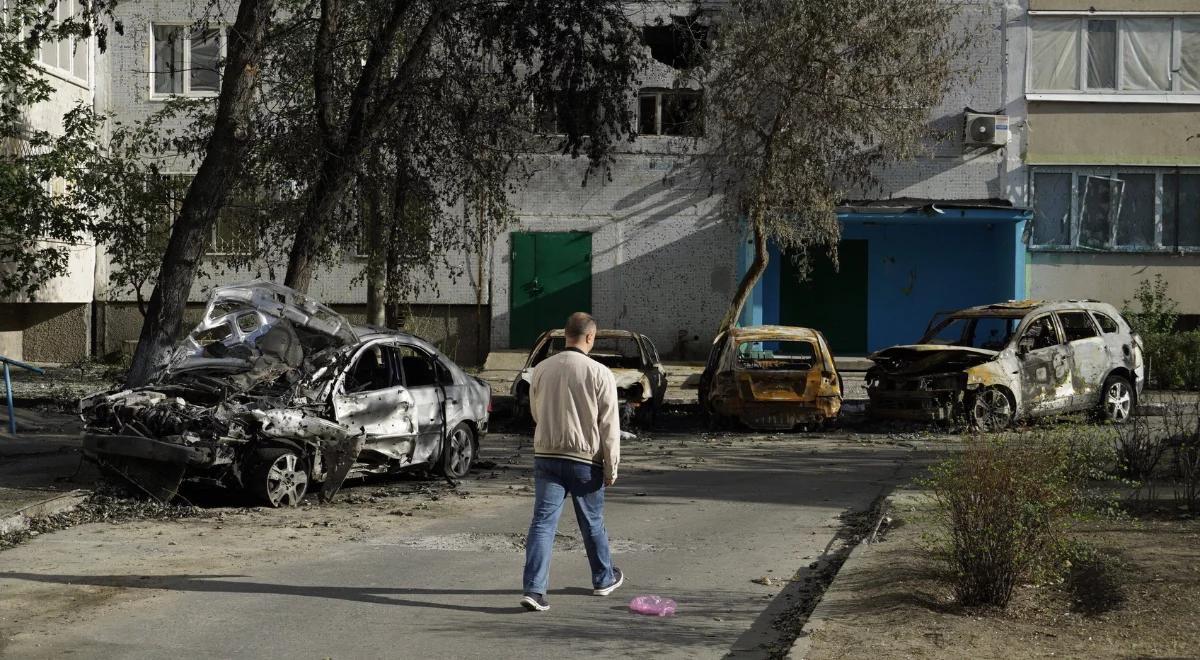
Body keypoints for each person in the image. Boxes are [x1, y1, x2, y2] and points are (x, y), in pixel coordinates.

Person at [520, 312, 624, 612]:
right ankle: (603, 578)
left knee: (542, 524)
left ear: (566, 335)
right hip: (584, 460)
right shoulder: (600, 372)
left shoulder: (540, 369)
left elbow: (536, 412)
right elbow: (609, 426)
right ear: (590, 337)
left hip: (547, 456)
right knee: (592, 522)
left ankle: (535, 590)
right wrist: (611, 466)